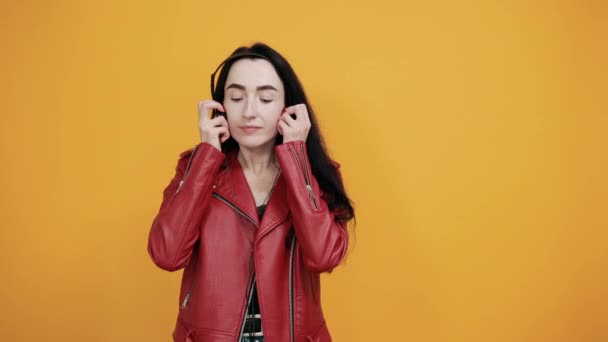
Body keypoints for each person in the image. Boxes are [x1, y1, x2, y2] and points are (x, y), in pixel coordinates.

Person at [147, 42, 355, 342]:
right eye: (236, 97)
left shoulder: (317, 176)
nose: (249, 111)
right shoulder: (196, 169)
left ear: (289, 108)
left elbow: (324, 256)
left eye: (266, 98)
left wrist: (296, 158)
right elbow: (166, 254)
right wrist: (206, 154)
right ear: (220, 106)